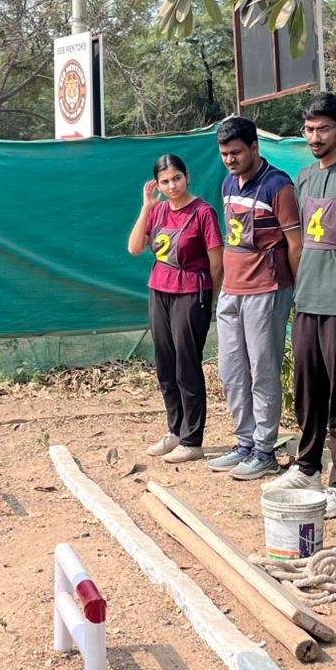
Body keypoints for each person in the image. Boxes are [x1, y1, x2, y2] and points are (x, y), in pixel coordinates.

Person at [261, 93, 336, 519]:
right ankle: (308, 467)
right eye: (309, 129)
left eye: (323, 129)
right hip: (307, 298)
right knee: (308, 389)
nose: (315, 137)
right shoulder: (306, 177)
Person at [207, 117, 301, 480]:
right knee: (231, 371)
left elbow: (295, 245)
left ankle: (264, 450)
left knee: (263, 371)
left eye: (236, 152)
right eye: (224, 154)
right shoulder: (228, 183)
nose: (230, 159)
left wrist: (297, 289)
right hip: (232, 291)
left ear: (254, 148)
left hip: (267, 290)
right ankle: (244, 442)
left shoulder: (279, 186)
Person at [128, 154, 223, 463]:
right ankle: (175, 430)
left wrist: (210, 299)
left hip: (192, 293)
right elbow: (134, 248)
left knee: (187, 365)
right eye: (165, 181)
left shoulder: (203, 212)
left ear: (187, 177)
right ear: (157, 185)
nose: (172, 186)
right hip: (160, 290)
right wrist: (146, 207)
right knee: (166, 364)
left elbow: (217, 263)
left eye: (177, 179)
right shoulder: (158, 211)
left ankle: (192, 440)